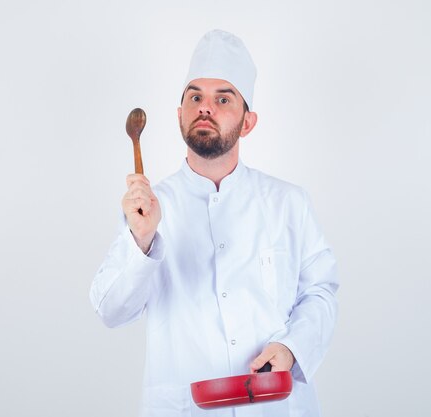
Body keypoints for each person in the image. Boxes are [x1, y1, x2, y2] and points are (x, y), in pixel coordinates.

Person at [90, 29, 339, 417]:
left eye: (223, 98)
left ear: (248, 121)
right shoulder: (149, 209)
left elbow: (320, 292)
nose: (206, 107)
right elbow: (111, 310)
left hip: (274, 406)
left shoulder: (289, 203)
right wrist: (142, 241)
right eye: (195, 97)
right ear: (179, 114)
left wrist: (292, 348)